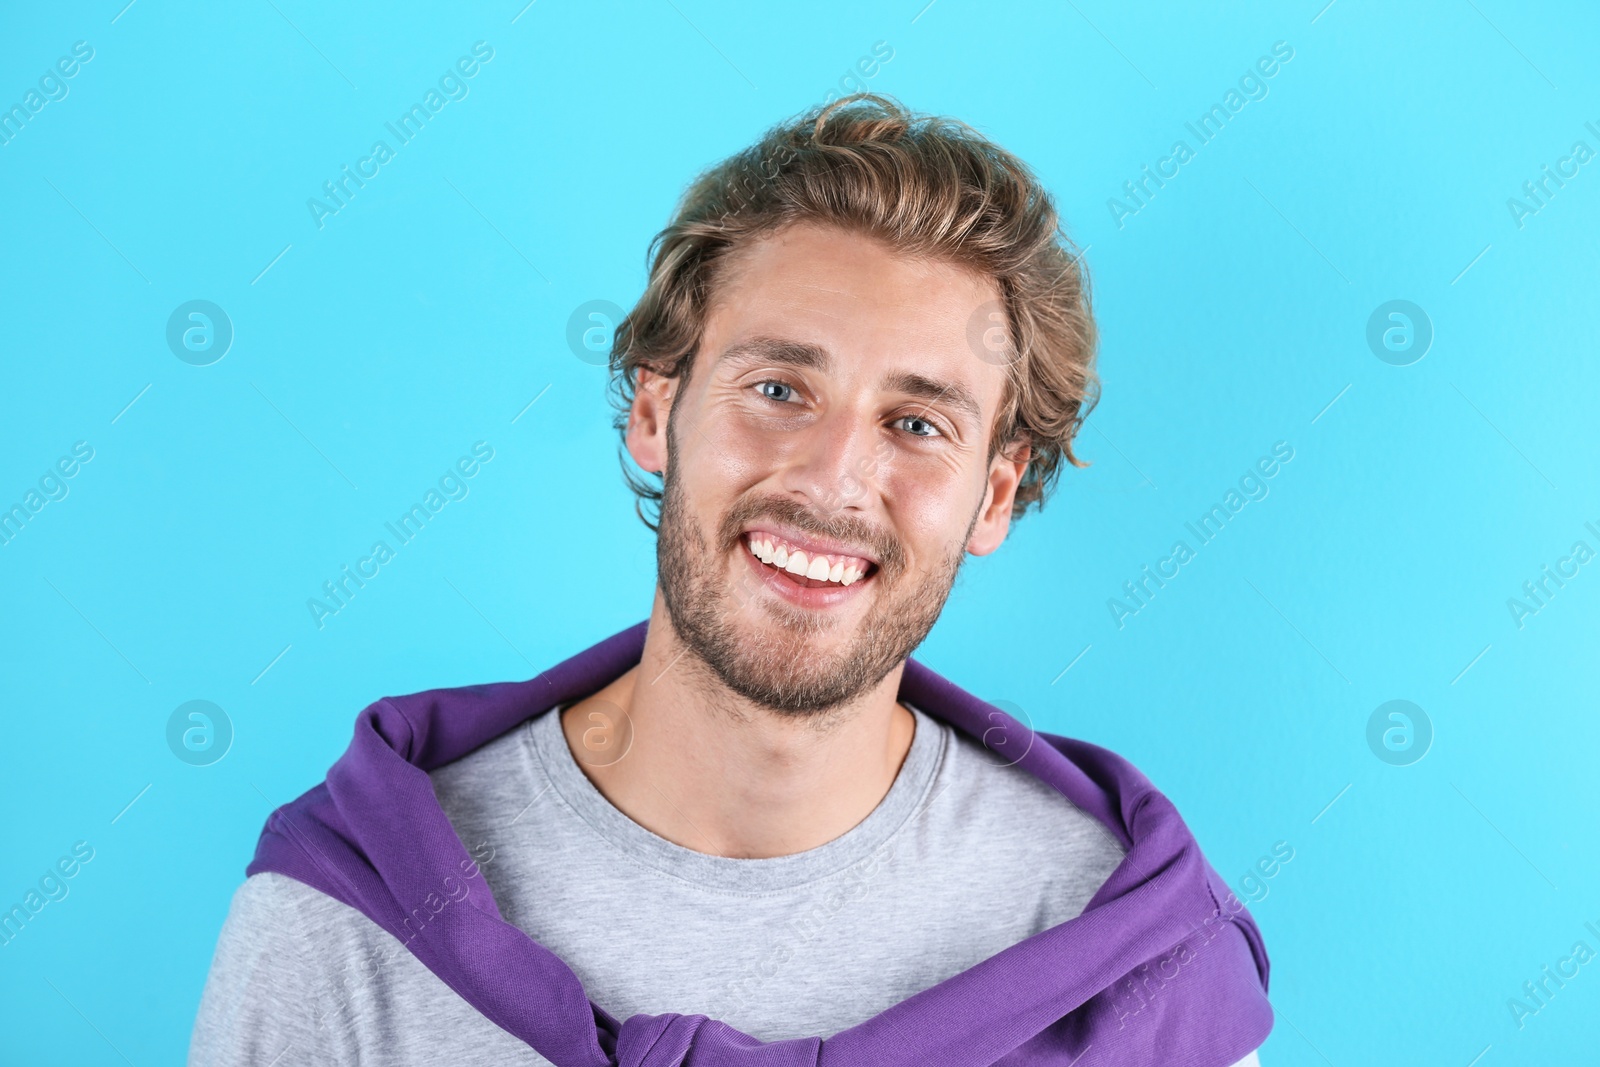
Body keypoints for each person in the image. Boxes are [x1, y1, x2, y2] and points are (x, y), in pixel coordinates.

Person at [190, 93, 1269, 1066]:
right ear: (658, 411)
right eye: (779, 386)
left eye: (915, 422)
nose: (833, 477)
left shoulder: (1133, 965)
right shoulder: (349, 915)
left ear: (993, 495)